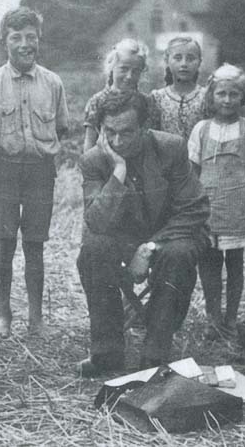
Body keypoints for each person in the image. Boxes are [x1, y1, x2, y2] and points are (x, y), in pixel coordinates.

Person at [76, 90, 210, 377]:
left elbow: (195, 209)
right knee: (93, 249)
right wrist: (118, 171)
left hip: (169, 236)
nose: (117, 141)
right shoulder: (93, 161)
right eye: (109, 132)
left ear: (145, 127)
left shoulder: (171, 148)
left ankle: (154, 355)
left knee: (179, 254)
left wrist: (150, 247)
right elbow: (97, 222)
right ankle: (107, 353)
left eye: (127, 133)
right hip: (122, 240)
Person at [0, 7, 69, 337]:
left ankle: (37, 319)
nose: (24, 44)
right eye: (16, 37)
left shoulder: (52, 82)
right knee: (4, 244)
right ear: (4, 41)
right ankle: (4, 317)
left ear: (39, 40)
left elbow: (62, 127)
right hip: (3, 171)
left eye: (30, 37)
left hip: (40, 171)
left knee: (35, 245)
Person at [188, 64, 245, 338]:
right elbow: (192, 172)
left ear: (243, 97)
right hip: (208, 209)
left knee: (235, 264)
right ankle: (213, 318)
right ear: (211, 96)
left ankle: (231, 319)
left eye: (234, 94)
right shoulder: (201, 129)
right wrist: (192, 211)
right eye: (221, 93)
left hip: (239, 207)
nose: (227, 100)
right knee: (209, 265)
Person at [82, 38, 161, 152]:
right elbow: (89, 142)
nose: (129, 76)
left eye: (136, 71)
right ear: (112, 67)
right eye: (124, 69)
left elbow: (153, 140)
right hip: (107, 162)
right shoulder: (97, 101)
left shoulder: (147, 102)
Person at [150, 36, 206, 139]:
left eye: (190, 58)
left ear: (199, 62)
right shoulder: (157, 98)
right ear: (167, 60)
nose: (184, 64)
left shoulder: (206, 96)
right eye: (178, 58)